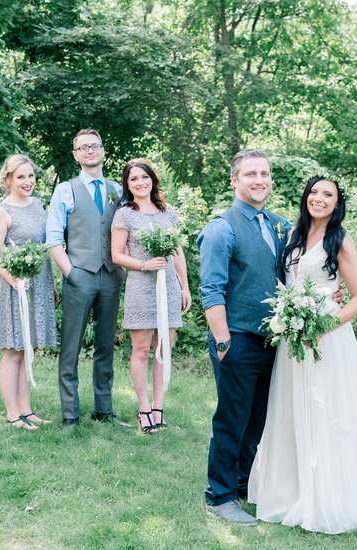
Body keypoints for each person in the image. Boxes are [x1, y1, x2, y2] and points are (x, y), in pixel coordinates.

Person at [249, 176, 357, 534]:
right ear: (305, 197)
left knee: (328, 410)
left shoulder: (340, 239)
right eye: (314, 193)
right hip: (293, 338)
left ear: (337, 203)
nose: (319, 199)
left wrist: (321, 325)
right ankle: (291, 487)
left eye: (328, 195)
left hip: (326, 338)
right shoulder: (292, 234)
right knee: (291, 408)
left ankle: (332, 492)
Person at [197, 148, 291, 524]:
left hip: (275, 341)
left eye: (264, 173)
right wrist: (223, 342)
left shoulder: (280, 225)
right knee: (232, 420)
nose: (259, 180)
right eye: (250, 174)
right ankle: (218, 496)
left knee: (258, 421)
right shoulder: (221, 228)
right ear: (234, 180)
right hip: (236, 338)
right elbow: (211, 290)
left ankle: (241, 485)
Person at [46, 129, 128, 427]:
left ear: (103, 151)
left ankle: (103, 409)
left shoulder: (116, 189)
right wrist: (71, 273)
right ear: (76, 155)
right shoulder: (65, 190)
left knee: (106, 345)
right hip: (79, 275)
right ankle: (70, 414)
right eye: (83, 147)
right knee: (71, 346)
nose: (90, 151)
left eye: (95, 146)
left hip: (110, 276)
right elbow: (54, 238)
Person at [111, 158, 192, 433]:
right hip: (140, 285)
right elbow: (117, 255)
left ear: (152, 180)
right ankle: (144, 410)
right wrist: (145, 264)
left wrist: (185, 285)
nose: (140, 183)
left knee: (163, 351)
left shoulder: (167, 212)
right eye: (134, 179)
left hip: (168, 285)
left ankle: (159, 408)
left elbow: (177, 250)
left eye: (144, 177)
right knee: (143, 349)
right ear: (128, 184)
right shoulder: (124, 214)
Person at [0, 155, 58, 430]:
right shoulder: (2, 211)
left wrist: (49, 285)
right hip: (13, 287)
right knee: (14, 350)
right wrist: (13, 279)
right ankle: (12, 413)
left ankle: (27, 409)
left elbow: (44, 247)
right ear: (8, 180)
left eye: (31, 176)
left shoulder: (38, 205)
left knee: (31, 348)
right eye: (21, 177)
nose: (28, 182)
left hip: (38, 284)